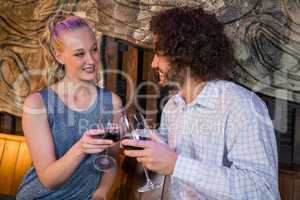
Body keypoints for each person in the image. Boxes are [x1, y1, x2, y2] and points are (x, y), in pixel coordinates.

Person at [122, 7, 280, 199]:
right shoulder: (173, 106)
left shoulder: (241, 105)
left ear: (184, 55)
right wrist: (148, 141)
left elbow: (261, 190)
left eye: (158, 54)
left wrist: (176, 164)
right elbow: (172, 153)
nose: (153, 63)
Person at [17, 14, 122, 200]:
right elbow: (49, 179)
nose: (91, 60)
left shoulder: (112, 102)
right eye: (80, 54)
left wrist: (102, 191)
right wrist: (81, 148)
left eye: (94, 50)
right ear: (59, 57)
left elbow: (112, 158)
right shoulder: (37, 104)